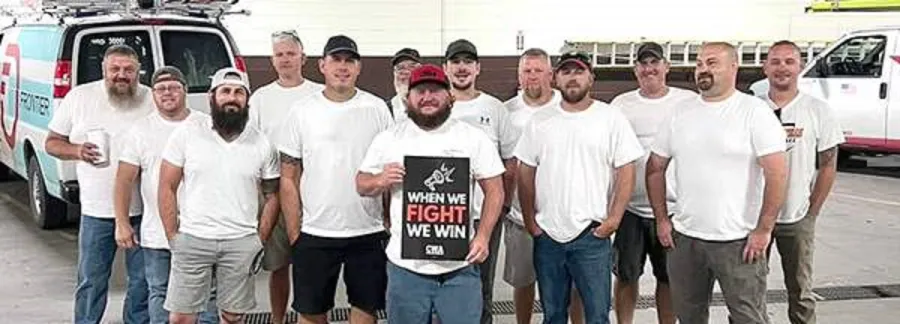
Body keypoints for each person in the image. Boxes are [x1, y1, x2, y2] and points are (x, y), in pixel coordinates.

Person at [646, 42, 788, 324]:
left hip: (739, 241)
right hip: (686, 239)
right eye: (699, 64)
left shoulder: (754, 112)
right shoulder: (679, 113)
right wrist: (662, 219)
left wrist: (763, 229)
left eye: (712, 63)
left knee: (748, 317)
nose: (703, 69)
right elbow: (654, 168)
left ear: (733, 67)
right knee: (688, 316)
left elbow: (777, 173)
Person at [356, 63, 505, 324]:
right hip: (406, 268)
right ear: (407, 98)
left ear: (450, 96)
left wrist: (483, 236)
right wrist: (380, 179)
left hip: (459, 267)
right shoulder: (389, 139)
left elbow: (495, 190)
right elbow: (361, 183)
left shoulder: (473, 138)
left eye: (435, 90)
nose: (427, 97)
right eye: (420, 91)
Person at [515, 51, 643, 324]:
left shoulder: (610, 118)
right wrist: (530, 222)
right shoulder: (540, 122)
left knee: (597, 315)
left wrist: (614, 219)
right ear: (556, 78)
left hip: (591, 236)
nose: (572, 78)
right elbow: (525, 172)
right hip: (548, 236)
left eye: (579, 72)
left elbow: (626, 170)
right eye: (566, 72)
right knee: (553, 315)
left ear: (591, 77)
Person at [277, 34, 393, 324]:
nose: (343, 66)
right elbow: (288, 176)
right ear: (322, 65)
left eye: (349, 60)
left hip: (367, 229)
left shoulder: (377, 108)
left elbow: (389, 171)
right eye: (336, 60)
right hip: (315, 231)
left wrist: (389, 221)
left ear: (359, 67)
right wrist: (295, 233)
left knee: (366, 308)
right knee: (311, 311)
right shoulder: (302, 111)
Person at [159, 67, 280, 324]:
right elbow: (166, 186)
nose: (232, 97)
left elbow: (272, 195)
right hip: (193, 239)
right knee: (181, 317)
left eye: (239, 92)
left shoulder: (261, 142)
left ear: (247, 100)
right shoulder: (187, 133)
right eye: (225, 91)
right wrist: (173, 236)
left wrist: (259, 239)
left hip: (241, 241)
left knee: (232, 317)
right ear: (212, 97)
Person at [45, 44, 153, 324]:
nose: (121, 75)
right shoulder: (80, 97)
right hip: (96, 211)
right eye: (115, 69)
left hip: (144, 210)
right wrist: (77, 151)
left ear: (138, 71)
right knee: (92, 281)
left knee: (142, 283)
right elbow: (52, 143)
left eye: (128, 70)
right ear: (103, 70)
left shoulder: (151, 99)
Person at [113, 66, 219, 324]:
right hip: (156, 232)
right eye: (160, 88)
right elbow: (124, 179)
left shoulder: (206, 125)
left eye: (173, 87)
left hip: (202, 231)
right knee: (159, 291)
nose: (167, 93)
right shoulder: (141, 130)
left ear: (185, 90)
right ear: (153, 94)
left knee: (206, 295)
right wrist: (122, 222)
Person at [608, 42, 693, 324]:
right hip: (630, 208)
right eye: (643, 64)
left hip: (673, 210)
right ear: (636, 69)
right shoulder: (621, 105)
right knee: (626, 275)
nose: (649, 69)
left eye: (655, 63)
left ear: (667, 66)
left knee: (669, 278)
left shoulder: (686, 102)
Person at [761, 40, 845, 324]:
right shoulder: (752, 108)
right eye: (775, 61)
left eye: (789, 61)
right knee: (749, 291)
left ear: (799, 66)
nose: (781, 67)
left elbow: (828, 163)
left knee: (800, 290)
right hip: (753, 220)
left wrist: (812, 213)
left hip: (796, 217)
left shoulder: (818, 110)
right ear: (765, 67)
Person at [502, 48, 585, 324]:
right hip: (519, 217)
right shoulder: (507, 112)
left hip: (564, 216)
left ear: (551, 74)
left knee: (571, 285)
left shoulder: (569, 107)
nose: (532, 76)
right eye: (527, 70)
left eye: (539, 70)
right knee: (523, 281)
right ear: (518, 75)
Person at [247, 29, 324, 324]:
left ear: (303, 58)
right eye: (279, 54)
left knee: (314, 262)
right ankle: (278, 320)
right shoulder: (261, 98)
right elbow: (251, 145)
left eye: (291, 54)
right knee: (279, 265)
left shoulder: (318, 93)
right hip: (274, 186)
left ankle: (315, 316)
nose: (285, 59)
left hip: (314, 185)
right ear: (272, 60)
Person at [443, 38, 517, 324]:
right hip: (441, 214)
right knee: (441, 286)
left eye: (467, 62)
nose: (462, 68)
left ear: (477, 68)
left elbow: (510, 162)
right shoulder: (434, 103)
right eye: (456, 62)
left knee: (481, 288)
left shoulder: (495, 108)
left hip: (482, 216)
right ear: (446, 68)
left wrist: (502, 204)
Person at [387, 47, 422, 121]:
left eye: (412, 67)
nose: (406, 72)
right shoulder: (383, 111)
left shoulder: (433, 109)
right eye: (400, 68)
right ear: (394, 74)